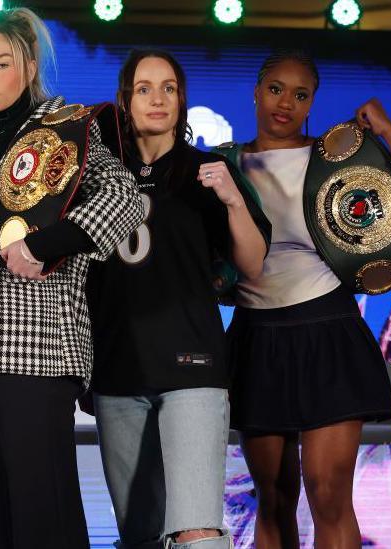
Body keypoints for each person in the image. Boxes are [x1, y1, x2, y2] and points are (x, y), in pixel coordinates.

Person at [0, 8, 144, 548]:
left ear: (30, 66)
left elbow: (126, 200)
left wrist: (44, 245)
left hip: (33, 351)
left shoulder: (65, 129)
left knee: (44, 513)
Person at [224, 49, 391, 547]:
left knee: (328, 491)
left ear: (313, 101)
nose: (285, 103)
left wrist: (388, 132)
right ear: (256, 90)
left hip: (327, 333)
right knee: (272, 498)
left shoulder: (339, 159)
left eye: (300, 94)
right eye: (275, 88)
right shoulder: (226, 164)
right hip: (257, 337)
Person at [85, 49, 270, 549]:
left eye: (168, 87)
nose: (157, 98)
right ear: (125, 101)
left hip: (192, 368)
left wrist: (232, 200)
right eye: (144, 88)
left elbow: (252, 264)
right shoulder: (95, 176)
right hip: (118, 371)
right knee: (139, 533)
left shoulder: (207, 170)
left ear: (182, 99)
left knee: (197, 530)